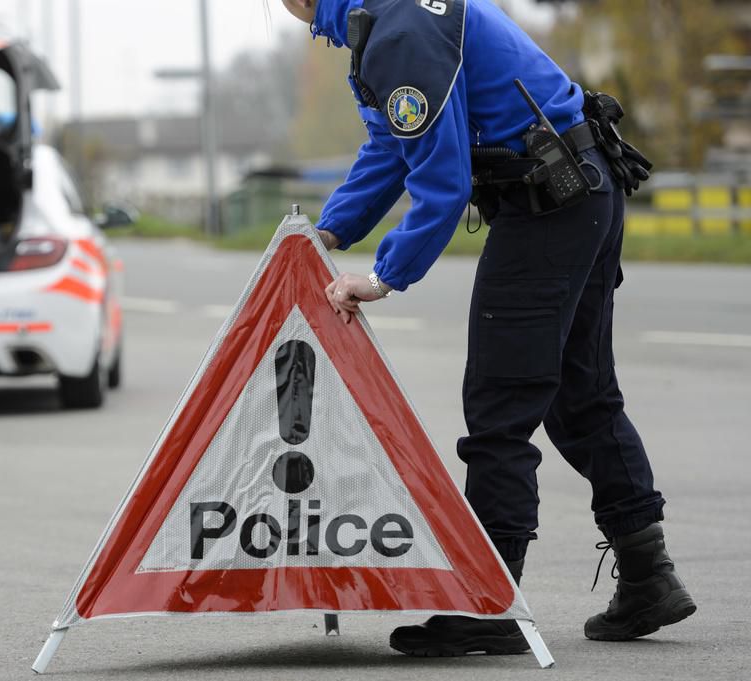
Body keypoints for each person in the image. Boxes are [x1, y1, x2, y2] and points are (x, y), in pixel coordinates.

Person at [280, 0, 695, 656]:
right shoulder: (387, 19)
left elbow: (442, 183)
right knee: (580, 396)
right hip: (584, 187)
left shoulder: (400, 31)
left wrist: (383, 275)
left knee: (499, 406)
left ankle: (490, 601)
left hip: (549, 200)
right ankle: (649, 577)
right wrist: (328, 230)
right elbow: (394, 144)